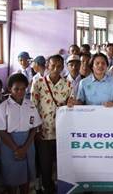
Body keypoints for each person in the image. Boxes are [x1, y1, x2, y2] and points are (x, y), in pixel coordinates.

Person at [31, 55, 73, 193]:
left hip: (62, 133)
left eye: (59, 66)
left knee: (62, 164)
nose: (56, 69)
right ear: (47, 66)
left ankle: (62, 187)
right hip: (43, 132)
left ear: (63, 67)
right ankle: (47, 188)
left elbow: (70, 106)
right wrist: (35, 130)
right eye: (53, 65)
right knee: (45, 164)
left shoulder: (68, 85)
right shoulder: (38, 83)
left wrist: (71, 104)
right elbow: (33, 107)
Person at [0, 73, 42, 194]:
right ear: (10, 89)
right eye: (16, 89)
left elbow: (34, 128)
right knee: (12, 176)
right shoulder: (2, 107)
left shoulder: (30, 105)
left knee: (26, 175)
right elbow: (1, 131)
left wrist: (25, 148)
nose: (20, 92)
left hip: (27, 144)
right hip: (9, 145)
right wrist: (16, 149)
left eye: (23, 89)